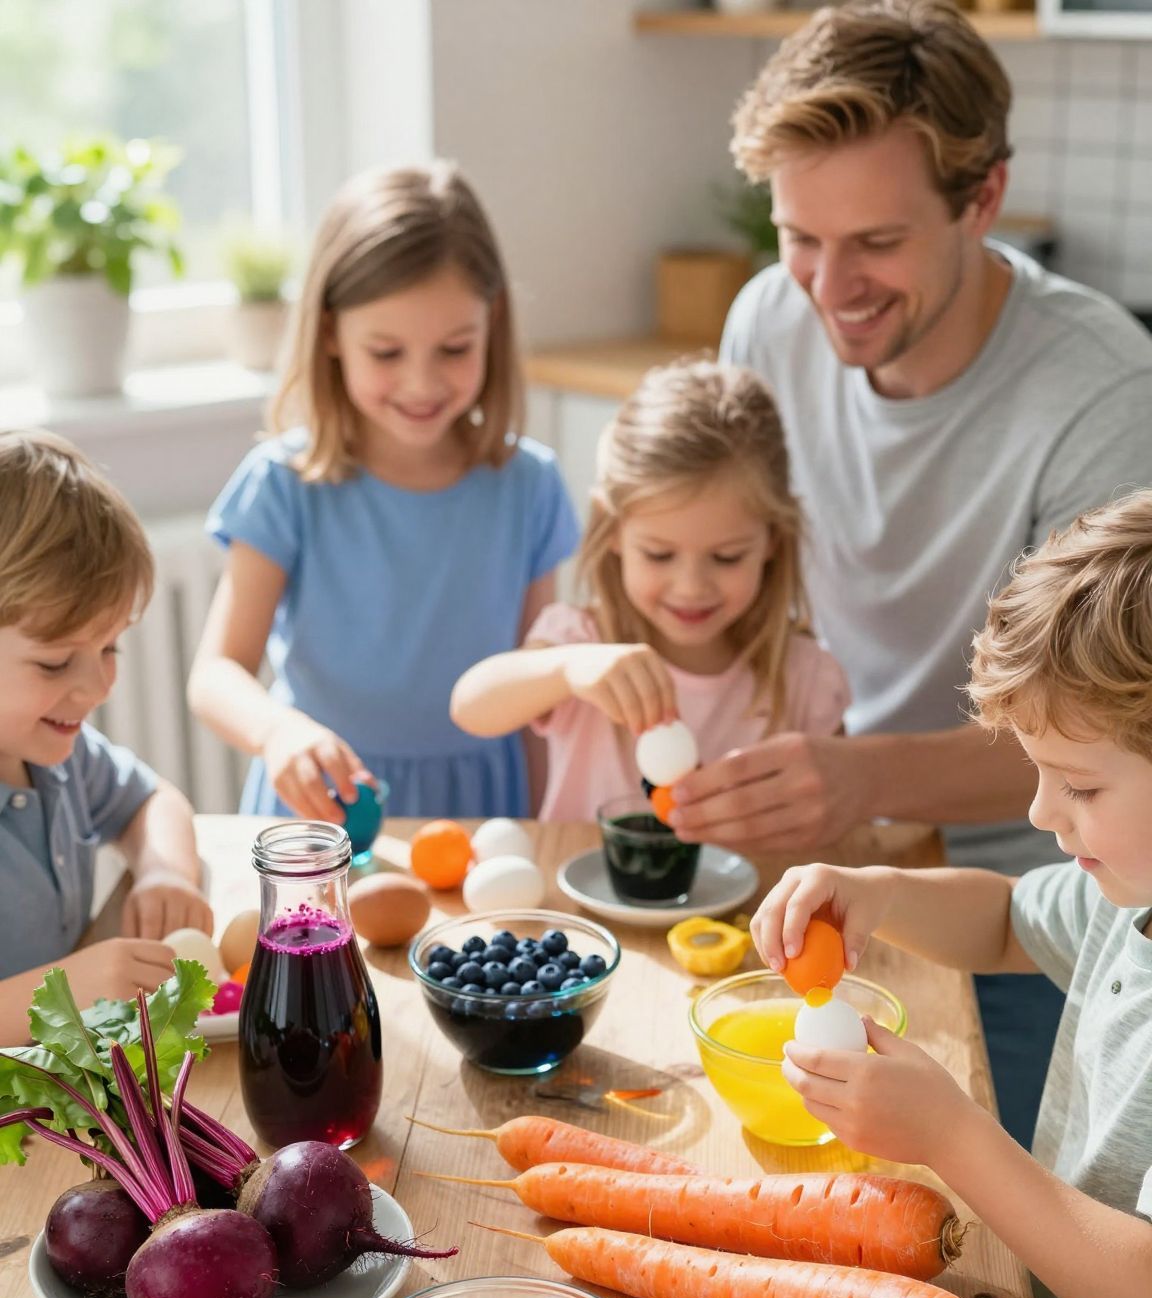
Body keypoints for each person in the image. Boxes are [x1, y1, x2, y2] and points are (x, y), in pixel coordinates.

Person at [669, 0, 1152, 1145]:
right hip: (837, 866)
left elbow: (1113, 732)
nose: (829, 285)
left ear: (983, 200)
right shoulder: (767, 323)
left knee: (994, 1213)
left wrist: (862, 777)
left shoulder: (1103, 395)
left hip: (1047, 896)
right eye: (800, 236)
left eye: (877, 242)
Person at [751, 493, 1152, 1298]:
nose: (1041, 815)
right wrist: (877, 885)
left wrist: (952, 1138)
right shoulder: (1135, 894)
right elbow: (1009, 919)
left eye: (1077, 785)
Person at [188, 162, 580, 823]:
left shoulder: (529, 487)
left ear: (492, 324)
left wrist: (547, 831)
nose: (421, 384)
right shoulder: (285, 484)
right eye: (386, 353)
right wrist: (277, 732)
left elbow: (538, 696)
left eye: (454, 348)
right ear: (331, 333)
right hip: (324, 812)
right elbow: (216, 673)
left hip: (486, 812)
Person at [450, 358, 848, 818]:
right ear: (614, 530)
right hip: (580, 868)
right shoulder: (583, 644)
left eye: (727, 557)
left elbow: (839, 819)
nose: (691, 587)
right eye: (659, 555)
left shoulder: (804, 679)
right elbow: (470, 706)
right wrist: (568, 669)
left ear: (773, 540)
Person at [0, 432, 211, 1045]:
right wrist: (57, 997)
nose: (98, 687)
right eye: (55, 663)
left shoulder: (55, 756)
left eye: (109, 647)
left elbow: (152, 800)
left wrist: (165, 873)